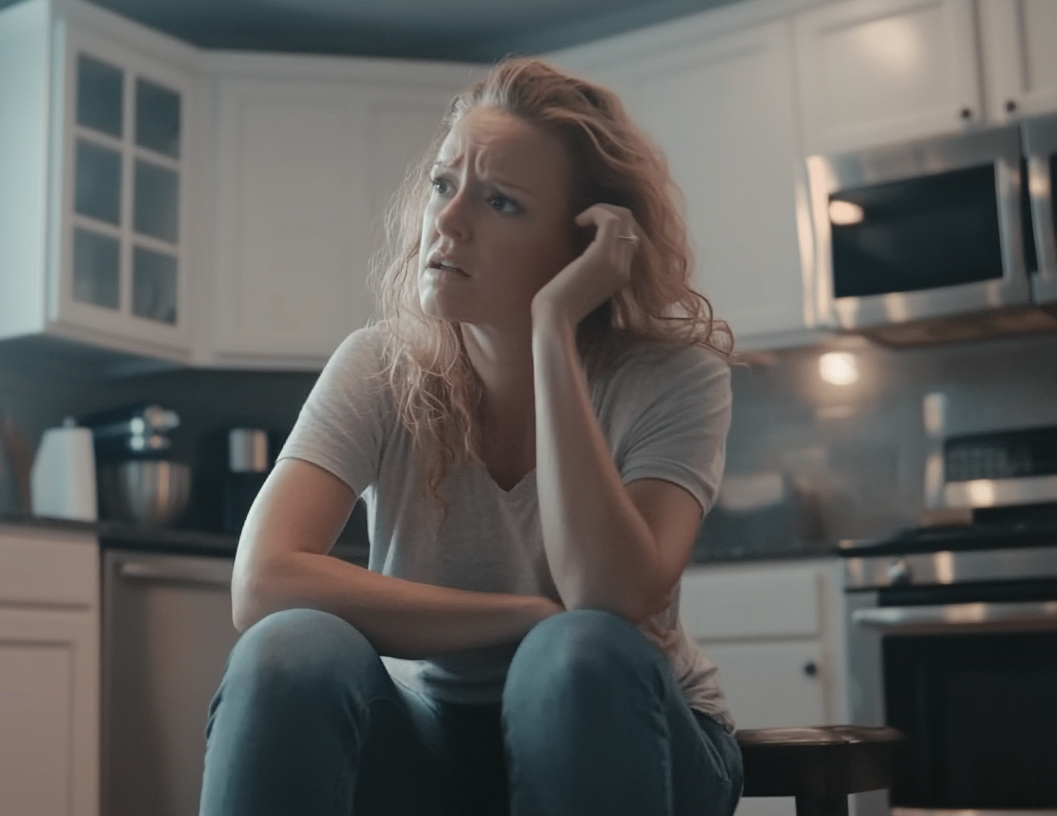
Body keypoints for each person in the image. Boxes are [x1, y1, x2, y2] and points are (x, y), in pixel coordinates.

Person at [200, 56, 740, 816]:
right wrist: (519, 615)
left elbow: (609, 598)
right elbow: (263, 582)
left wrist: (552, 330)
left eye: (501, 203)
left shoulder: (674, 379)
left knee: (574, 651)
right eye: (443, 185)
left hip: (630, 728)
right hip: (435, 739)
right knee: (290, 650)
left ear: (582, 246)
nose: (448, 222)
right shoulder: (380, 366)